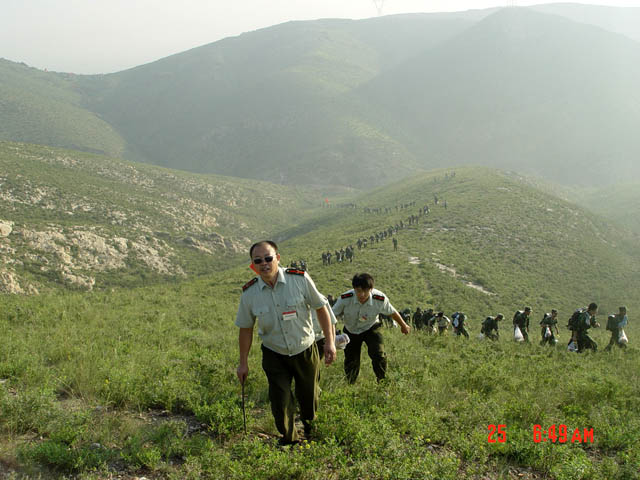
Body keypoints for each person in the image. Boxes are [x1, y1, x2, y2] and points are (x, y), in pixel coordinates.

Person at [235, 241, 336, 445]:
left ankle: (311, 433)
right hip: (274, 353)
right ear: (253, 265)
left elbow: (320, 308)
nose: (264, 263)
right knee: (280, 401)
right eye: (258, 261)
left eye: (268, 258)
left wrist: (330, 342)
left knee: (309, 397)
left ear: (278, 258)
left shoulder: (299, 279)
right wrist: (243, 363)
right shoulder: (249, 293)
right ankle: (290, 440)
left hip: (304, 349)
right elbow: (245, 329)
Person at [332, 273, 410, 383]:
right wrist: (331, 334)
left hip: (371, 328)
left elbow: (392, 312)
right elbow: (332, 316)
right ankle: (350, 383)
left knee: (378, 354)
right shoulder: (345, 298)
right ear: (354, 289)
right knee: (351, 359)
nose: (362, 294)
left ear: (371, 289)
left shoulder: (380, 299)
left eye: (365, 291)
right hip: (351, 330)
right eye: (358, 291)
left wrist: (403, 325)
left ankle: (381, 381)